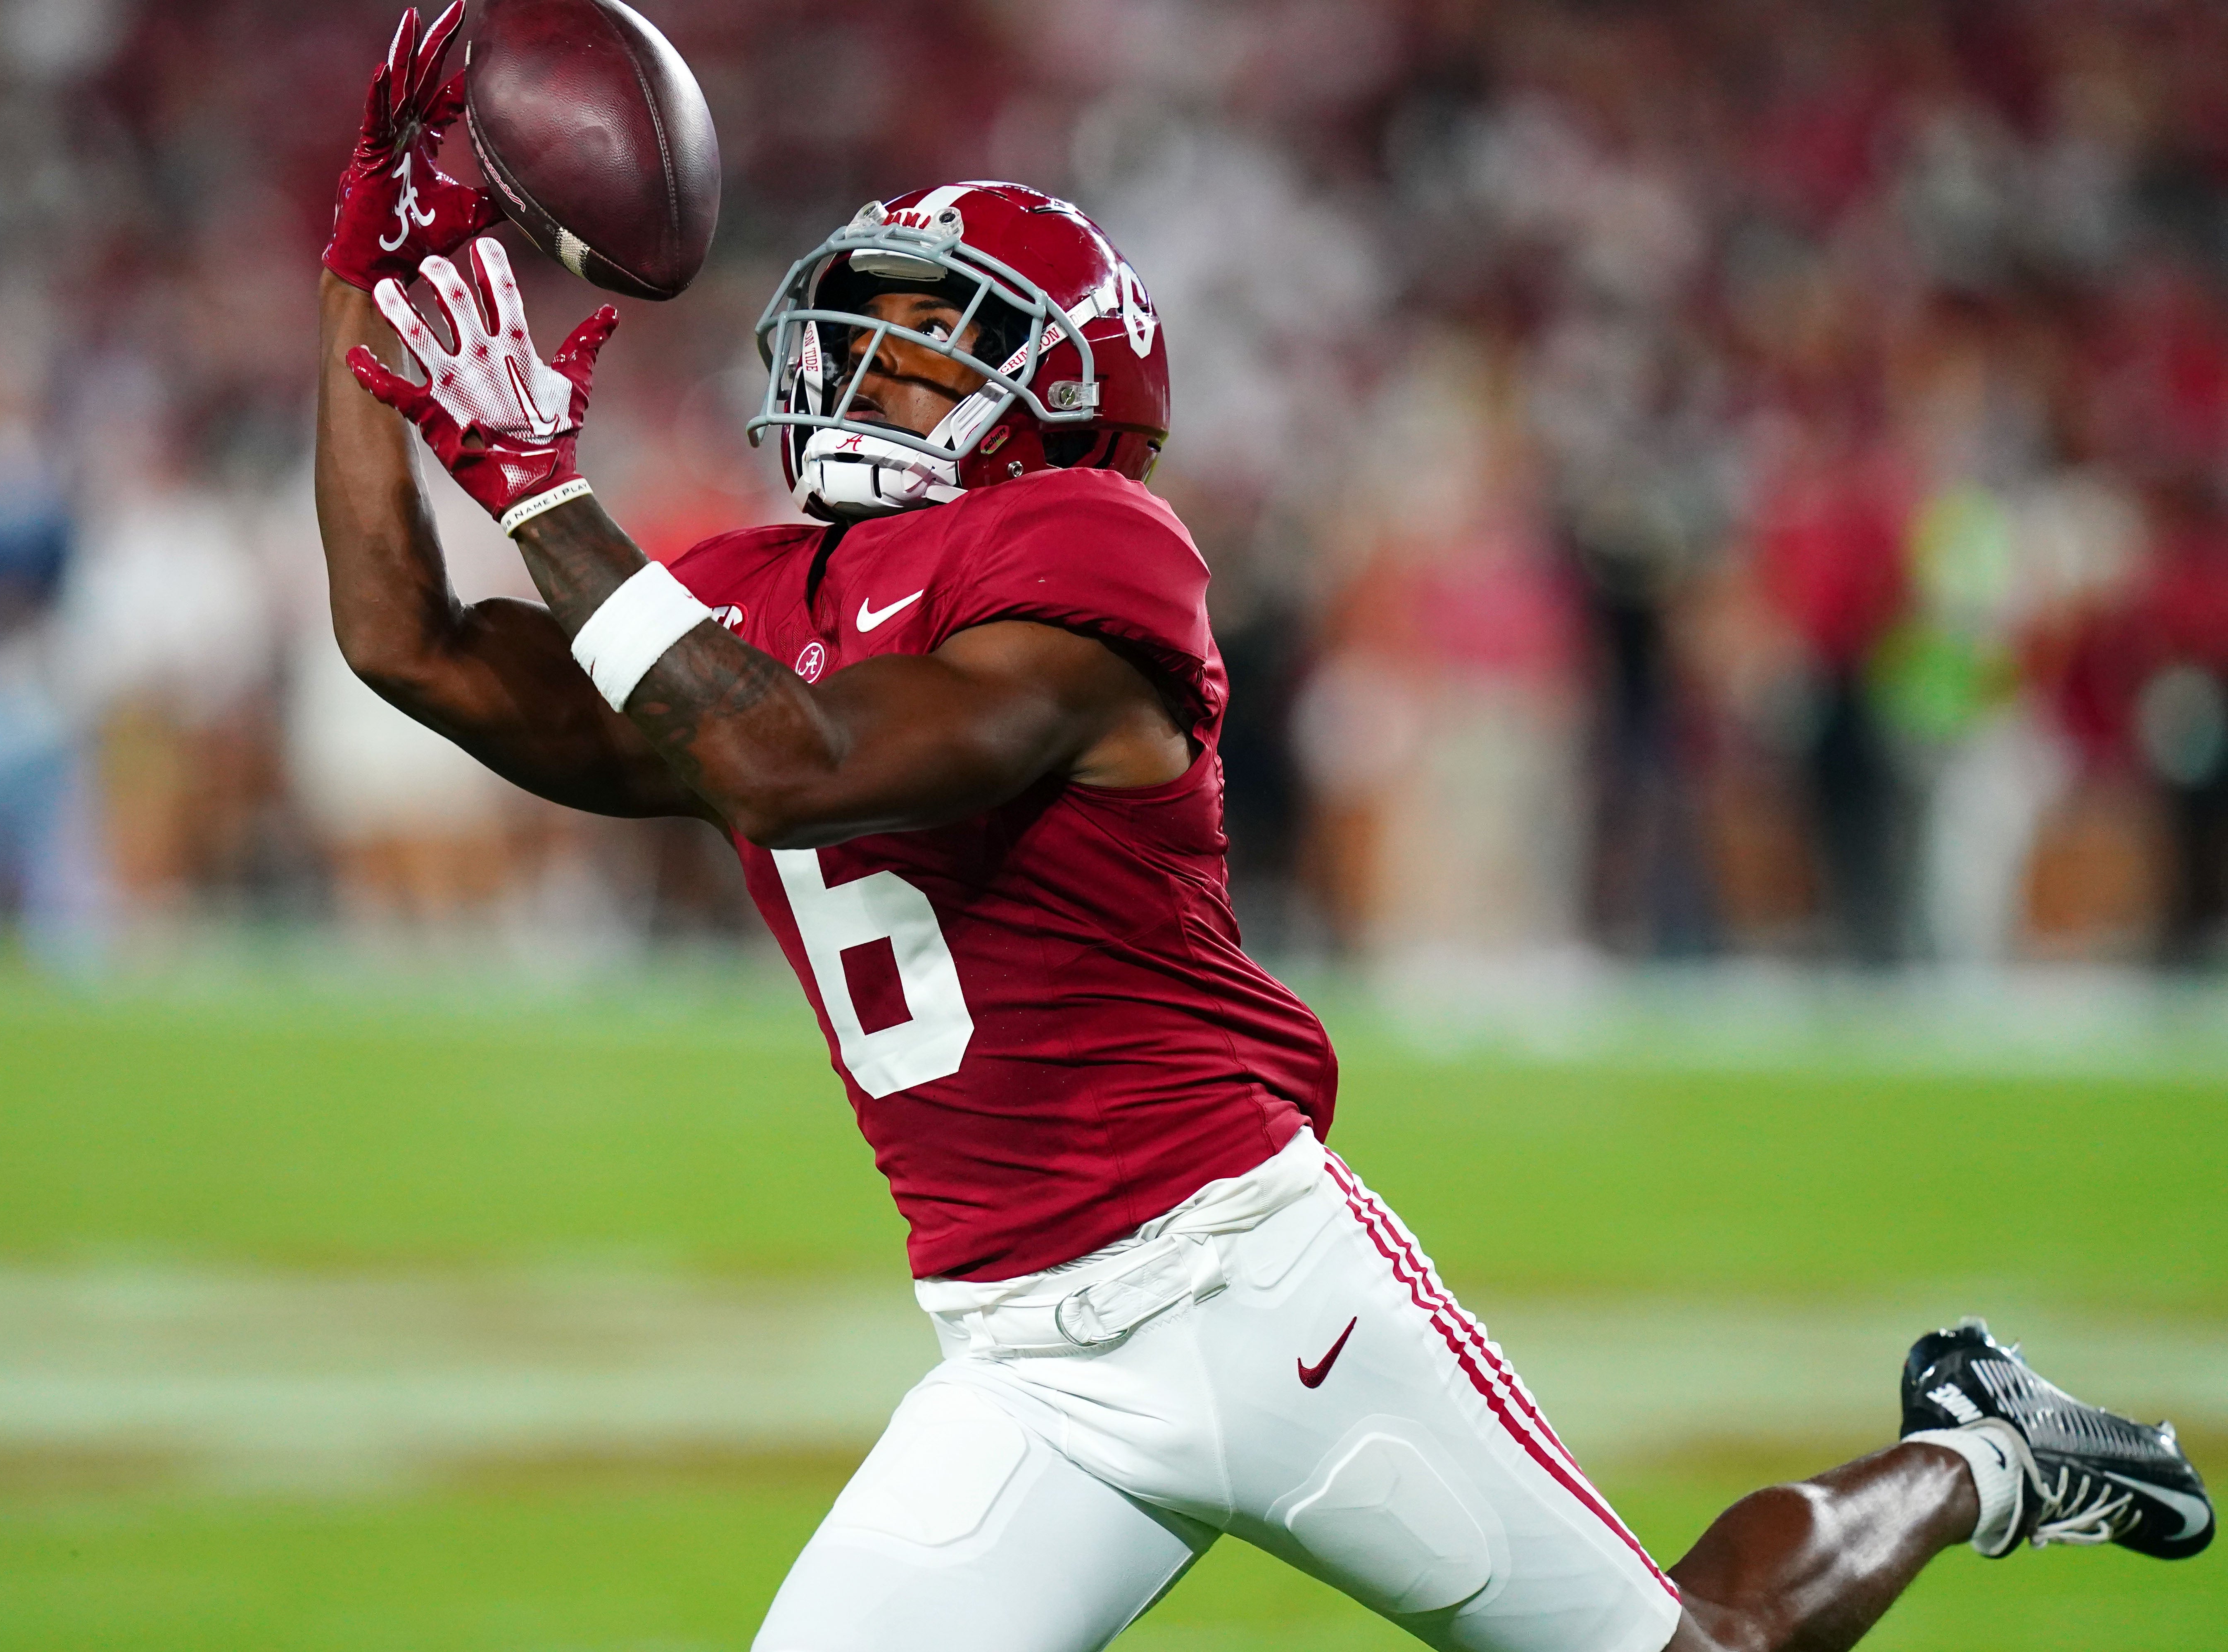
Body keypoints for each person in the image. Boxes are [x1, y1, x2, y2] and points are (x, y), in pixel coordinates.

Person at [311, 13, 2211, 1649]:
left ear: (1054, 394)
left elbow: (796, 766)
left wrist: (553, 496)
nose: (857, 379)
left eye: (921, 348)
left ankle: (1980, 1450)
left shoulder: (1093, 551)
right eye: (854, 337)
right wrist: (358, 284)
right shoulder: (747, 584)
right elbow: (407, 641)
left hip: (1251, 1285)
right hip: (1026, 1357)